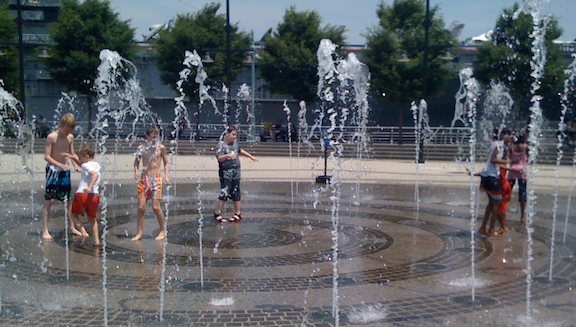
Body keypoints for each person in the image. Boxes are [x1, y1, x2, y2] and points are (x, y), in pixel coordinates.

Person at [42, 113, 81, 240]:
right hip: (53, 170)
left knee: (69, 200)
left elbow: (71, 153)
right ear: (61, 125)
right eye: (66, 130)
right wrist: (60, 164)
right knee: (50, 200)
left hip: (64, 171)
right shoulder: (51, 137)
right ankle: (45, 230)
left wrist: (76, 164)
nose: (67, 132)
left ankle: (71, 227)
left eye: (70, 130)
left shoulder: (70, 137)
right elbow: (47, 156)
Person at [214, 126, 258, 223]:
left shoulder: (235, 144)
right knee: (224, 192)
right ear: (227, 134)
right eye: (233, 135)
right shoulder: (220, 145)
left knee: (236, 192)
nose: (235, 137)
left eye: (235, 135)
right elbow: (219, 158)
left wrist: (251, 156)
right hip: (226, 172)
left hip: (236, 172)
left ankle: (237, 213)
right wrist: (228, 155)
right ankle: (217, 213)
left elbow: (240, 150)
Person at [132, 126, 169, 241]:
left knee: (155, 207)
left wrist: (166, 176)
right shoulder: (142, 148)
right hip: (144, 179)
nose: (154, 139)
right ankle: (139, 233)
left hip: (156, 178)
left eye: (156, 137)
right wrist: (136, 171)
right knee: (141, 207)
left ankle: (163, 229)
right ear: (147, 136)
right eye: (152, 137)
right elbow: (136, 162)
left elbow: (166, 162)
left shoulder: (160, 148)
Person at [63, 145, 102, 245]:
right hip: (95, 195)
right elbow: (84, 166)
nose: (80, 160)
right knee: (92, 219)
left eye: (80, 157)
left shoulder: (86, 166)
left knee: (73, 215)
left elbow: (95, 175)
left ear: (87, 156)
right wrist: (73, 158)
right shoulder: (96, 165)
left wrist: (89, 187)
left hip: (82, 193)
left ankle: (84, 233)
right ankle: (96, 241)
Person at [478, 128, 512, 238]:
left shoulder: (496, 144)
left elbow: (496, 163)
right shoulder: (499, 145)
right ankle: (491, 229)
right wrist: (509, 162)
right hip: (492, 177)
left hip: (486, 176)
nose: (509, 139)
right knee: (498, 202)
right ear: (502, 135)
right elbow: (493, 160)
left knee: (492, 203)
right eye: (508, 136)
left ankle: (483, 228)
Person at [507, 133, 528, 225]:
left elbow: (508, 157)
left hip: (512, 171)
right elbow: (528, 157)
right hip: (522, 171)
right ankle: (522, 215)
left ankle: (501, 210)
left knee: (507, 191)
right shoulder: (525, 147)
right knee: (522, 193)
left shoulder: (511, 147)